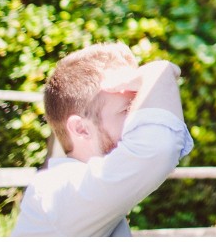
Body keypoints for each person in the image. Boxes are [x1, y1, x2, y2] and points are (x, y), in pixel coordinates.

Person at [12, 42, 194, 237]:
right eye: (126, 110)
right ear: (81, 129)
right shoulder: (56, 191)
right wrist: (158, 71)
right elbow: (157, 149)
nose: (137, 120)